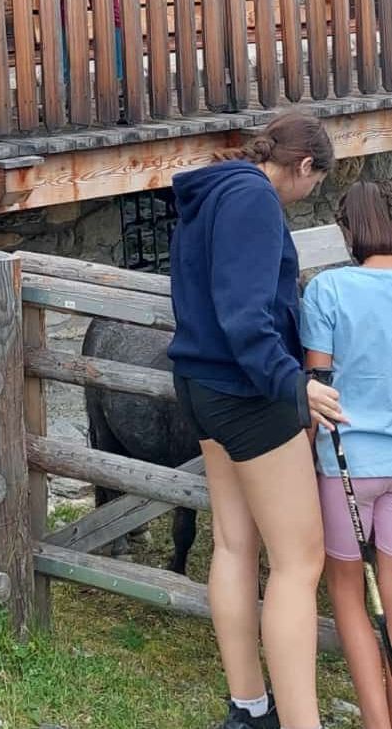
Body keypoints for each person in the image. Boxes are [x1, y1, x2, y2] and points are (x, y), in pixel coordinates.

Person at [168, 111, 344, 729]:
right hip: (246, 393)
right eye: (313, 186)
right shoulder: (253, 200)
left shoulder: (213, 192)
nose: (306, 198)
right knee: (301, 561)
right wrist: (293, 385)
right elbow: (247, 318)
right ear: (302, 166)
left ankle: (251, 709)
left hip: (202, 384)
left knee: (235, 545)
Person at [302, 181, 392, 729]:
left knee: (349, 596)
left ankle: (376, 721)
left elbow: (319, 384)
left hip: (347, 463)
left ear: (345, 231)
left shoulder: (327, 289)